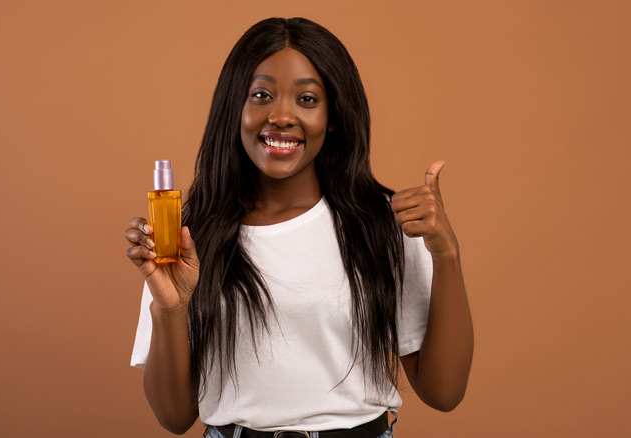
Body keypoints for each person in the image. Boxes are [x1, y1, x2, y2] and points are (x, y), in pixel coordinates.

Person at [125, 17, 473, 438]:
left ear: (333, 117)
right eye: (261, 95)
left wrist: (446, 254)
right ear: (234, 108)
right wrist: (171, 308)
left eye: (307, 98)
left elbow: (444, 392)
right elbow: (174, 417)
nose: (281, 115)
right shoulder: (187, 238)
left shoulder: (384, 223)